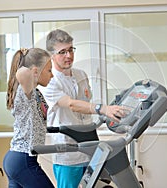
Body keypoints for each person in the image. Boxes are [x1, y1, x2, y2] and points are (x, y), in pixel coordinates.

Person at [40, 29, 126, 188]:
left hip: (90, 150)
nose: (69, 55)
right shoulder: (49, 81)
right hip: (67, 154)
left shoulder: (81, 75)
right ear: (51, 55)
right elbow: (71, 104)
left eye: (71, 49)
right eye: (62, 52)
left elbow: (86, 106)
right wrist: (103, 109)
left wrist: (108, 113)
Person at [3, 48, 54, 188]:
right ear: (36, 70)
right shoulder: (26, 92)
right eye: (49, 70)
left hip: (18, 159)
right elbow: (22, 73)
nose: (52, 75)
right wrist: (27, 58)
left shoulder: (35, 92)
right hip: (22, 159)